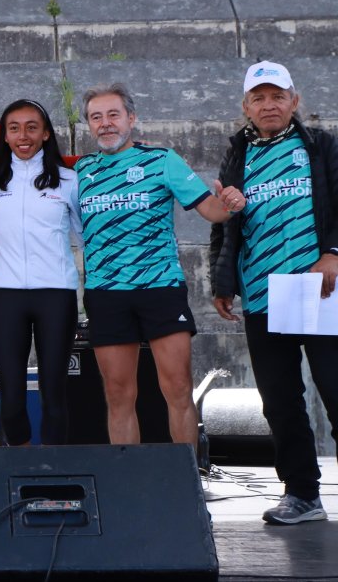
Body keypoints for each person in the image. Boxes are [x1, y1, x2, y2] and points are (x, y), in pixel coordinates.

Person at [76, 82, 244, 449]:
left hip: (159, 288)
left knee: (178, 389)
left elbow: (213, 212)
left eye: (113, 115)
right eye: (96, 117)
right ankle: (130, 484)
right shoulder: (79, 171)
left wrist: (229, 202)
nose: (105, 124)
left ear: (131, 119)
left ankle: (188, 485)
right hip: (106, 294)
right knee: (119, 396)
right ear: (88, 124)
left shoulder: (162, 160)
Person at [210, 61, 338, 525]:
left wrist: (334, 253)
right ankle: (302, 496)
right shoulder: (237, 154)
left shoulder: (322, 146)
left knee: (335, 390)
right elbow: (226, 222)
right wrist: (222, 282)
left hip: (320, 289)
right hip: (263, 295)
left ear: (294, 101)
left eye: (277, 96)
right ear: (246, 106)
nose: (269, 105)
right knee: (280, 401)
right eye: (259, 98)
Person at [0, 99, 81, 446]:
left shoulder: (68, 179)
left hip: (56, 294)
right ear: (4, 136)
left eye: (32, 127)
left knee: (54, 391)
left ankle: (55, 470)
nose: (23, 135)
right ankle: (19, 468)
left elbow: (84, 233)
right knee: (11, 396)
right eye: (14, 128)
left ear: (46, 133)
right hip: (6, 295)